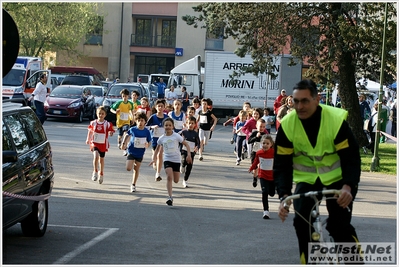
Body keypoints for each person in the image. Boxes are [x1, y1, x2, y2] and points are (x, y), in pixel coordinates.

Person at [275, 79, 361, 264]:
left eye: (305, 101)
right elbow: (282, 164)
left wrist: (348, 186)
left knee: (339, 226)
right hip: (307, 180)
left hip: (338, 179)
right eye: (296, 101)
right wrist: (284, 196)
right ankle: (310, 262)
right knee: (301, 223)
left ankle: (355, 262)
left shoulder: (335, 122)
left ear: (316, 99)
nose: (300, 106)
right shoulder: (288, 125)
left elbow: (351, 158)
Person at [148, 118, 192, 206]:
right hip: (167, 158)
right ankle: (170, 197)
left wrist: (189, 155)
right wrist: (154, 159)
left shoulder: (176, 136)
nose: (168, 127)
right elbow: (157, 149)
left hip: (176, 159)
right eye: (166, 125)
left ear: (173, 127)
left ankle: (178, 172)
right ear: (163, 127)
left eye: (169, 125)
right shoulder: (161, 138)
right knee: (169, 177)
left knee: (176, 180)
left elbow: (186, 144)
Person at [120, 112, 152, 192]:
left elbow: (149, 141)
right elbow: (126, 135)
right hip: (131, 151)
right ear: (136, 121)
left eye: (142, 121)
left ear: (145, 122)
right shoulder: (133, 129)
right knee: (128, 168)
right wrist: (123, 144)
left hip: (140, 152)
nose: (140, 122)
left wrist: (147, 145)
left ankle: (133, 184)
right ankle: (131, 161)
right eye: (139, 120)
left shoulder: (147, 132)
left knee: (136, 169)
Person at [86, 106, 115, 184]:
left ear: (105, 115)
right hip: (95, 143)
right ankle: (95, 171)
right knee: (96, 156)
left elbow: (111, 131)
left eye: (102, 114)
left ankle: (101, 173)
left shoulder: (107, 124)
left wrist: (110, 133)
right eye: (99, 113)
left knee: (101, 160)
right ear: (96, 114)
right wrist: (88, 139)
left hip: (103, 144)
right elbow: (90, 131)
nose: (101, 115)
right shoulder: (93, 123)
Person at [248, 135, 275, 219]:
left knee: (271, 193)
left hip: (272, 177)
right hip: (262, 175)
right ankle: (266, 211)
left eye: (267, 143)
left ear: (271, 144)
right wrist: (251, 168)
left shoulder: (274, 153)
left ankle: (273, 190)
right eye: (263, 143)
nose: (265, 145)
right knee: (264, 192)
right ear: (261, 144)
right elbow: (256, 162)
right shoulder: (259, 153)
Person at [146, 99, 169, 181]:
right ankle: (154, 161)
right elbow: (146, 127)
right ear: (155, 107)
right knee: (155, 155)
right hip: (154, 139)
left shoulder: (167, 117)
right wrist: (152, 127)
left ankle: (158, 174)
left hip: (163, 140)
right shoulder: (153, 117)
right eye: (158, 106)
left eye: (162, 106)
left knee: (160, 154)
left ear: (164, 107)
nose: (160, 107)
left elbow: (170, 127)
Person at [110, 88, 134, 155]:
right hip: (119, 122)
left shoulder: (130, 104)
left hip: (126, 121)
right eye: (123, 96)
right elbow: (111, 109)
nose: (124, 98)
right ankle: (119, 142)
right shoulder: (119, 103)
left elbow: (131, 111)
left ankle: (124, 148)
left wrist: (133, 118)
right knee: (120, 135)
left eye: (126, 96)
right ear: (121, 96)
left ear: (128, 96)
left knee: (126, 133)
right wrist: (115, 112)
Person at [180, 116, 200, 188]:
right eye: (189, 123)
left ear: (195, 124)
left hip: (192, 152)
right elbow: (178, 139)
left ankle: (185, 180)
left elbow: (198, 143)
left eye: (192, 123)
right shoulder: (183, 132)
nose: (190, 125)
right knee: (184, 159)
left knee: (189, 167)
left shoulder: (195, 134)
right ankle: (182, 165)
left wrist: (197, 148)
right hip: (184, 150)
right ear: (186, 124)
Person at [247, 118, 268, 185]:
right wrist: (256, 137)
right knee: (255, 166)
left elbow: (269, 143)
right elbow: (249, 141)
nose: (262, 128)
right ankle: (255, 178)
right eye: (260, 126)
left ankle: (260, 176)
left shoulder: (265, 134)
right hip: (254, 152)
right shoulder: (254, 133)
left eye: (263, 127)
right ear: (256, 126)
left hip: (262, 152)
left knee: (260, 165)